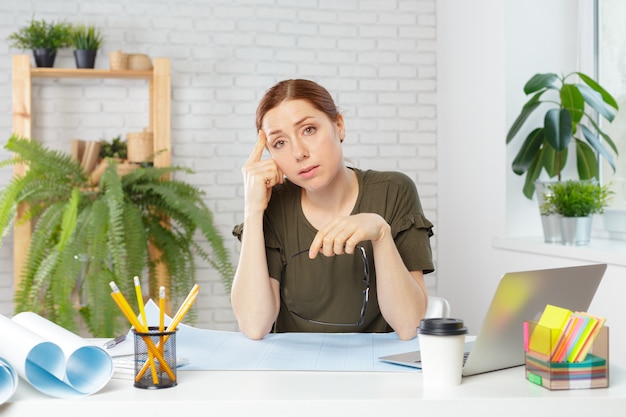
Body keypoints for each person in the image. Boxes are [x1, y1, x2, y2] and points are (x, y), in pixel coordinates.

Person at [231, 79, 434, 341]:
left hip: (377, 371)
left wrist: (381, 234)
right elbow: (254, 326)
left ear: (339, 125)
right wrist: (253, 210)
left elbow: (409, 326)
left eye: (308, 129)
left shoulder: (393, 190)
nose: (299, 153)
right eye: (280, 143)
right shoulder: (274, 206)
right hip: (293, 372)